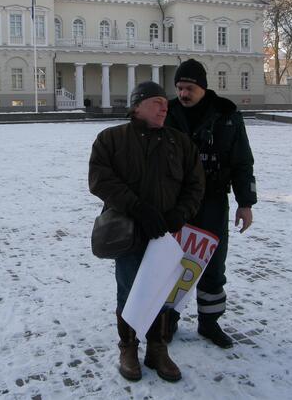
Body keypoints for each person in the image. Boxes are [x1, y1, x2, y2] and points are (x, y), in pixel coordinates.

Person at [89, 81, 205, 382]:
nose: (164, 106)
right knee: (129, 290)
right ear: (137, 105)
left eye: (165, 102)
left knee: (163, 293)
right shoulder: (110, 139)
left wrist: (180, 214)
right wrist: (138, 208)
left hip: (167, 236)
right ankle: (128, 347)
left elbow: (196, 184)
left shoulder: (180, 143)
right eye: (156, 102)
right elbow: (100, 180)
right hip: (130, 233)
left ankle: (157, 349)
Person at [164, 59, 257, 348]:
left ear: (203, 87)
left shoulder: (226, 115)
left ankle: (209, 322)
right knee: (171, 263)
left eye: (189, 88)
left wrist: (246, 202)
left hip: (213, 200)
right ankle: (168, 320)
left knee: (213, 263)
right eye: (179, 88)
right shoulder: (168, 113)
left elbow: (242, 161)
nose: (183, 94)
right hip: (176, 202)